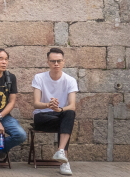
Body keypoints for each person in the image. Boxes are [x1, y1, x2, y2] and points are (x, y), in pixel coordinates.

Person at [31, 48, 78, 176]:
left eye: (59, 61)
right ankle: (64, 161)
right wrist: (48, 105)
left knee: (69, 114)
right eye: (53, 61)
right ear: (48, 62)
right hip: (42, 116)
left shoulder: (70, 80)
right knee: (67, 123)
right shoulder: (39, 78)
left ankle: (61, 152)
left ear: (64, 62)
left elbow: (72, 105)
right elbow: (35, 103)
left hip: (60, 114)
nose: (56, 64)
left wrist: (60, 109)